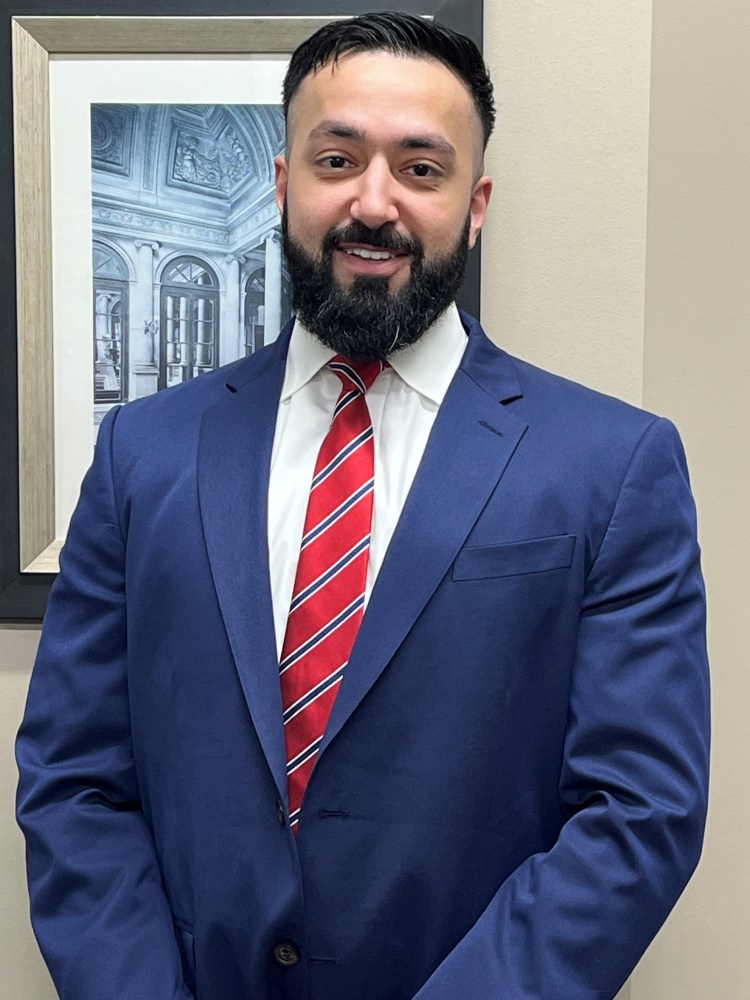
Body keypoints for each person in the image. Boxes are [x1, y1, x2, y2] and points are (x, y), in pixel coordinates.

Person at [16, 12, 709, 1000]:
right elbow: (74, 779)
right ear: (283, 183)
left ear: (476, 204)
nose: (373, 203)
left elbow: (640, 811)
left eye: (421, 169)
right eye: (336, 160)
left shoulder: (612, 464)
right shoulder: (144, 453)